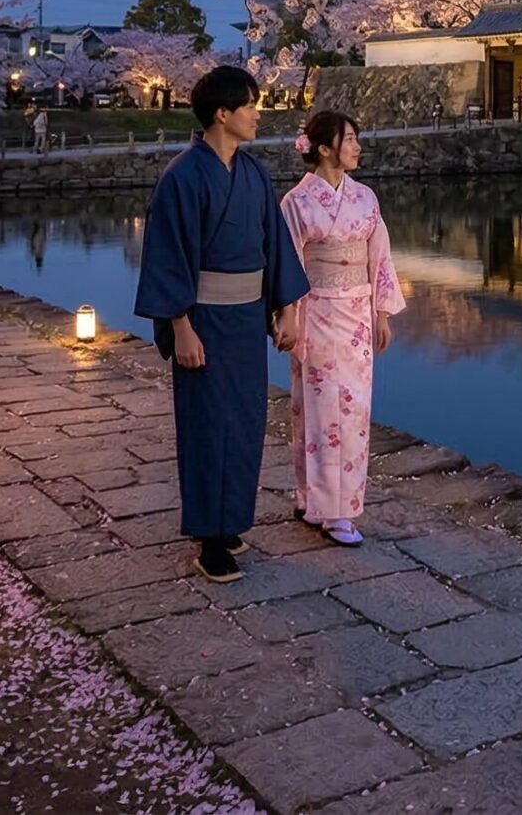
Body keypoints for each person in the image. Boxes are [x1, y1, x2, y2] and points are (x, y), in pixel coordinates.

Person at [133, 66, 308, 582]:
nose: (258, 114)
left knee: (246, 422)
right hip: (204, 320)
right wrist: (180, 326)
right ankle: (209, 538)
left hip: (247, 319)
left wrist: (286, 309)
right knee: (208, 425)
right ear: (221, 113)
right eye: (250, 105)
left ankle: (230, 521)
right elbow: (167, 256)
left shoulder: (254, 174)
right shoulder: (182, 176)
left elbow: (275, 244)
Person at [278, 111, 405, 546]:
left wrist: (381, 313)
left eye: (355, 138)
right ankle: (328, 510)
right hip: (315, 311)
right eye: (349, 139)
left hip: (357, 316)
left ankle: (325, 502)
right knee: (317, 411)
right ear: (324, 148)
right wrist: (287, 315)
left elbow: (380, 257)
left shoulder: (365, 198)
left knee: (353, 413)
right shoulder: (296, 202)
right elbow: (287, 265)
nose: (357, 146)